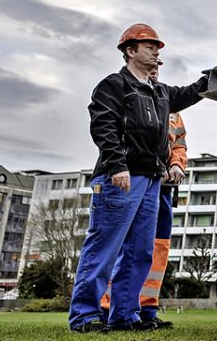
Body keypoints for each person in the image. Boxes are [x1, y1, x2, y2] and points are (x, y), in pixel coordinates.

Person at [69, 23, 207, 333]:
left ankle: (125, 316)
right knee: (104, 247)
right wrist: (117, 165)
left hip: (151, 180)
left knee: (139, 252)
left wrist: (212, 77)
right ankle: (85, 316)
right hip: (121, 177)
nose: (157, 51)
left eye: (158, 46)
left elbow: (188, 94)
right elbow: (103, 126)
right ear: (130, 51)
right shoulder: (114, 85)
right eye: (150, 46)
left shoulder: (160, 91)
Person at [99, 61, 188, 329]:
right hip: (138, 178)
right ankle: (109, 307)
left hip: (163, 187)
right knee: (125, 246)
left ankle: (146, 308)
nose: (154, 71)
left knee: (156, 249)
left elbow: (180, 143)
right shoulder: (129, 98)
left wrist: (176, 165)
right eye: (150, 68)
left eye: (157, 69)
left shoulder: (171, 110)